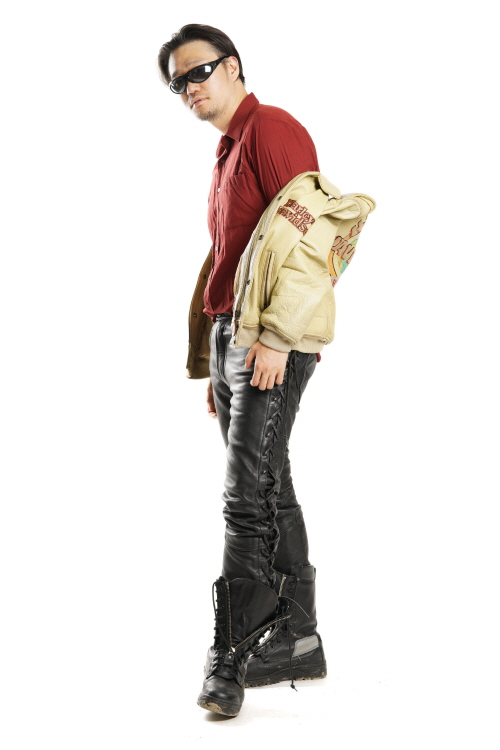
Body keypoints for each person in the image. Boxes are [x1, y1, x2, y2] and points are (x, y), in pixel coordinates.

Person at [158, 23, 328, 717]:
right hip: (235, 342)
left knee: (245, 499)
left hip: (270, 340)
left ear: (232, 66)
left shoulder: (271, 130)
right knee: (268, 483)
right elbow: (230, 258)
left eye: (198, 72)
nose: (189, 88)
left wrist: (279, 338)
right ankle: (297, 637)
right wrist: (213, 362)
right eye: (178, 83)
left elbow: (313, 240)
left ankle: (230, 652)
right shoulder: (228, 151)